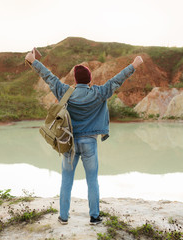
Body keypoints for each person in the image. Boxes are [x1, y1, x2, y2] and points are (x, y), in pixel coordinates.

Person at [25, 50, 143, 225]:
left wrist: (33, 61)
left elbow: (48, 77)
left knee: (66, 180)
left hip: (69, 142)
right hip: (89, 143)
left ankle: (63, 217)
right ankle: (94, 217)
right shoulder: (99, 93)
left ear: (75, 80)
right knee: (92, 181)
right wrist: (134, 65)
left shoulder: (65, 92)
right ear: (90, 80)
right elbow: (117, 80)